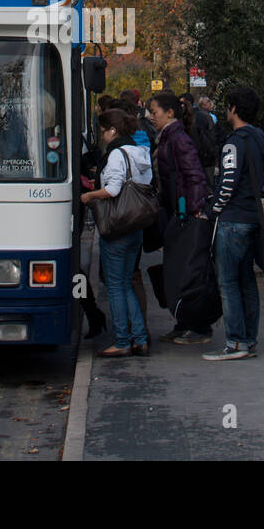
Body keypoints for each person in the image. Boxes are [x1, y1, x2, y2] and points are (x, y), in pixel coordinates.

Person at [203, 86, 264, 361]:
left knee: (228, 282)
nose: (226, 110)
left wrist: (212, 210)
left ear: (234, 108)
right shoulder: (259, 137)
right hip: (253, 218)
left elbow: (227, 184)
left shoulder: (234, 142)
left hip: (233, 220)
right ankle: (249, 338)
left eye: (228, 106)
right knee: (247, 281)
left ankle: (235, 343)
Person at [81, 109, 154, 357]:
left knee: (115, 286)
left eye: (102, 131)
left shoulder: (115, 155)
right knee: (126, 285)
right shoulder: (139, 152)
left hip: (117, 227)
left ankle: (122, 340)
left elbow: (112, 190)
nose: (101, 136)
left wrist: (89, 195)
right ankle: (140, 338)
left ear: (112, 130)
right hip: (136, 227)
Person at [147, 90, 212, 344]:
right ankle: (185, 321)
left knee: (189, 272)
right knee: (179, 271)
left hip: (185, 214)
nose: (151, 117)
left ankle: (198, 326)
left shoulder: (177, 139)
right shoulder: (167, 137)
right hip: (178, 211)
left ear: (169, 113)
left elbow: (193, 174)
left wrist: (192, 210)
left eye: (154, 113)